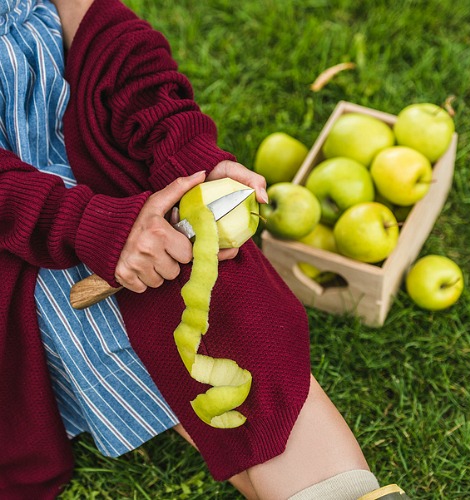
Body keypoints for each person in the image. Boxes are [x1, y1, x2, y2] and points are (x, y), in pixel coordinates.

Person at [0, 1, 409, 498]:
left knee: (224, 291)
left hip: (82, 132)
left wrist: (184, 153)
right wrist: (87, 225)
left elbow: (93, 20)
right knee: (104, 313)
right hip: (13, 210)